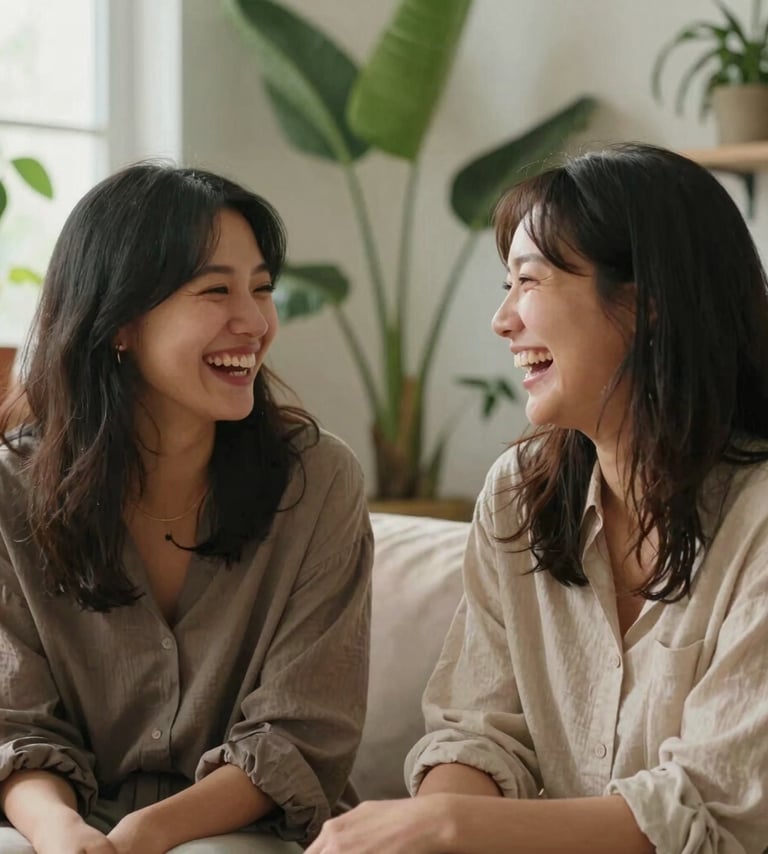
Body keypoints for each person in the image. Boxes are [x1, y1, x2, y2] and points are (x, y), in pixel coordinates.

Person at [305, 143, 768, 854]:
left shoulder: (757, 520)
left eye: (528, 281)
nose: (504, 321)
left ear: (644, 308)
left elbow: (715, 810)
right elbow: (479, 732)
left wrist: (448, 824)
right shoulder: (520, 497)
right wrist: (431, 839)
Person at [0, 163, 373, 853]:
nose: (255, 321)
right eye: (215, 291)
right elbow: (12, 723)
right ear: (119, 323)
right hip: (53, 819)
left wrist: (144, 834)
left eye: (262, 288)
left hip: (241, 826)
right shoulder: (8, 492)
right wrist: (63, 835)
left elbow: (302, 732)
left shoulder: (317, 482)